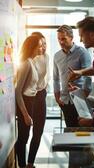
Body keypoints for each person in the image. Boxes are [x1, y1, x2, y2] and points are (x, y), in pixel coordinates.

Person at [15, 32, 49, 168]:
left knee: (25, 136)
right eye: (40, 46)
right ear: (33, 47)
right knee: (23, 138)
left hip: (32, 100)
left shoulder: (31, 61)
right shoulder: (27, 63)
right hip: (26, 102)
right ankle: (22, 166)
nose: (42, 48)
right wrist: (26, 114)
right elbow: (18, 91)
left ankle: (26, 165)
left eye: (43, 45)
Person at [53, 24, 91, 127]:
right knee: (70, 129)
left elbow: (88, 75)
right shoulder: (56, 56)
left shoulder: (82, 53)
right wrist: (57, 97)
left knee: (82, 130)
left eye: (64, 39)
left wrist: (85, 93)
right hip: (64, 100)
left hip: (79, 99)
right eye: (59, 39)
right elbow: (55, 78)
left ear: (71, 37)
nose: (61, 42)